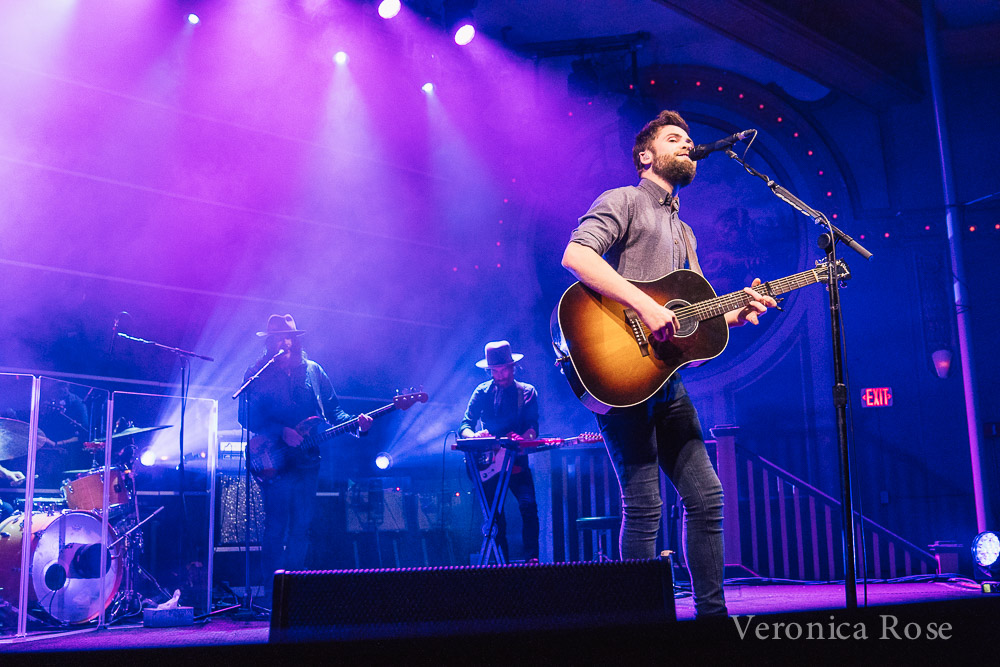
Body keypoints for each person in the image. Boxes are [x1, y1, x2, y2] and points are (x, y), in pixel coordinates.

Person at [561, 110, 777, 618]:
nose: (687, 145)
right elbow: (577, 256)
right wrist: (645, 305)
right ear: (646, 155)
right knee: (644, 507)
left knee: (707, 498)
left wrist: (737, 312)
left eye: (689, 140)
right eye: (674, 138)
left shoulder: (685, 232)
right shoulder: (624, 200)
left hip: (666, 382)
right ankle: (640, 628)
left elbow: (695, 317)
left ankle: (712, 620)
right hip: (619, 371)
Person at [238, 314, 372, 602]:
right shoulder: (258, 371)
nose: (283, 342)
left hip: (307, 460)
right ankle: (272, 595)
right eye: (276, 338)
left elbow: (335, 413)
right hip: (274, 460)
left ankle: (294, 592)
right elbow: (245, 416)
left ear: (295, 340)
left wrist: (358, 426)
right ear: (269, 342)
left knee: (301, 525)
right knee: (276, 526)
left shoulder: (314, 371)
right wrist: (281, 431)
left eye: (287, 337)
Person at [460, 340, 540, 562]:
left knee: (528, 507)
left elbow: (533, 427)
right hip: (487, 463)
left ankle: (532, 560)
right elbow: (465, 425)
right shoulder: (482, 391)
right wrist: (474, 436)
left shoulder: (527, 392)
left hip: (516, 461)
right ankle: (501, 564)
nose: (499, 375)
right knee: (495, 517)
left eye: (503, 369)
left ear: (513, 367)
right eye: (494, 371)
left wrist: (525, 438)